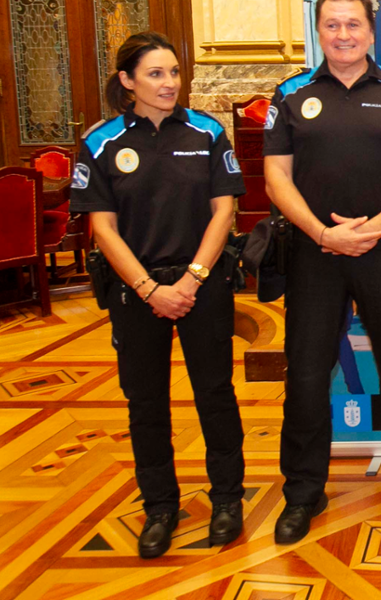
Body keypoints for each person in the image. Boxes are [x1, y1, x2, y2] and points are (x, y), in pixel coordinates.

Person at [263, 0, 381, 542]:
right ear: (319, 31)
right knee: (307, 376)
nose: (343, 34)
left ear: (370, 29)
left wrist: (375, 228)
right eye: (332, 25)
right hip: (315, 255)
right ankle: (303, 493)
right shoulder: (290, 93)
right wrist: (323, 233)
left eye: (353, 24)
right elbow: (275, 177)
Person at [71, 32, 246, 559]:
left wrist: (191, 280)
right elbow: (102, 228)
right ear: (127, 81)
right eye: (155, 74)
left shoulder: (208, 132)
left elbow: (224, 211)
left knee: (215, 394)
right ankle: (160, 507)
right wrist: (149, 289)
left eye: (174, 72)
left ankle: (227, 499)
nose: (169, 83)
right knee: (146, 403)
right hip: (136, 292)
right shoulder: (101, 143)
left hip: (202, 285)